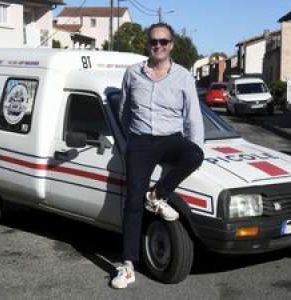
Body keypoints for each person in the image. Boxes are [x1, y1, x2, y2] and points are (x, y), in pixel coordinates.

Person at [111, 23, 204, 289]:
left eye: (164, 41)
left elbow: (192, 117)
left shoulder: (184, 76)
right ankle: (128, 265)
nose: (158, 46)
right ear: (148, 44)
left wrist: (195, 146)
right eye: (154, 41)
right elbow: (124, 110)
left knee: (195, 155)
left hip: (172, 139)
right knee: (132, 201)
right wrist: (132, 139)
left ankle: (158, 193)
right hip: (140, 141)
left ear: (171, 44)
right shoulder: (132, 74)